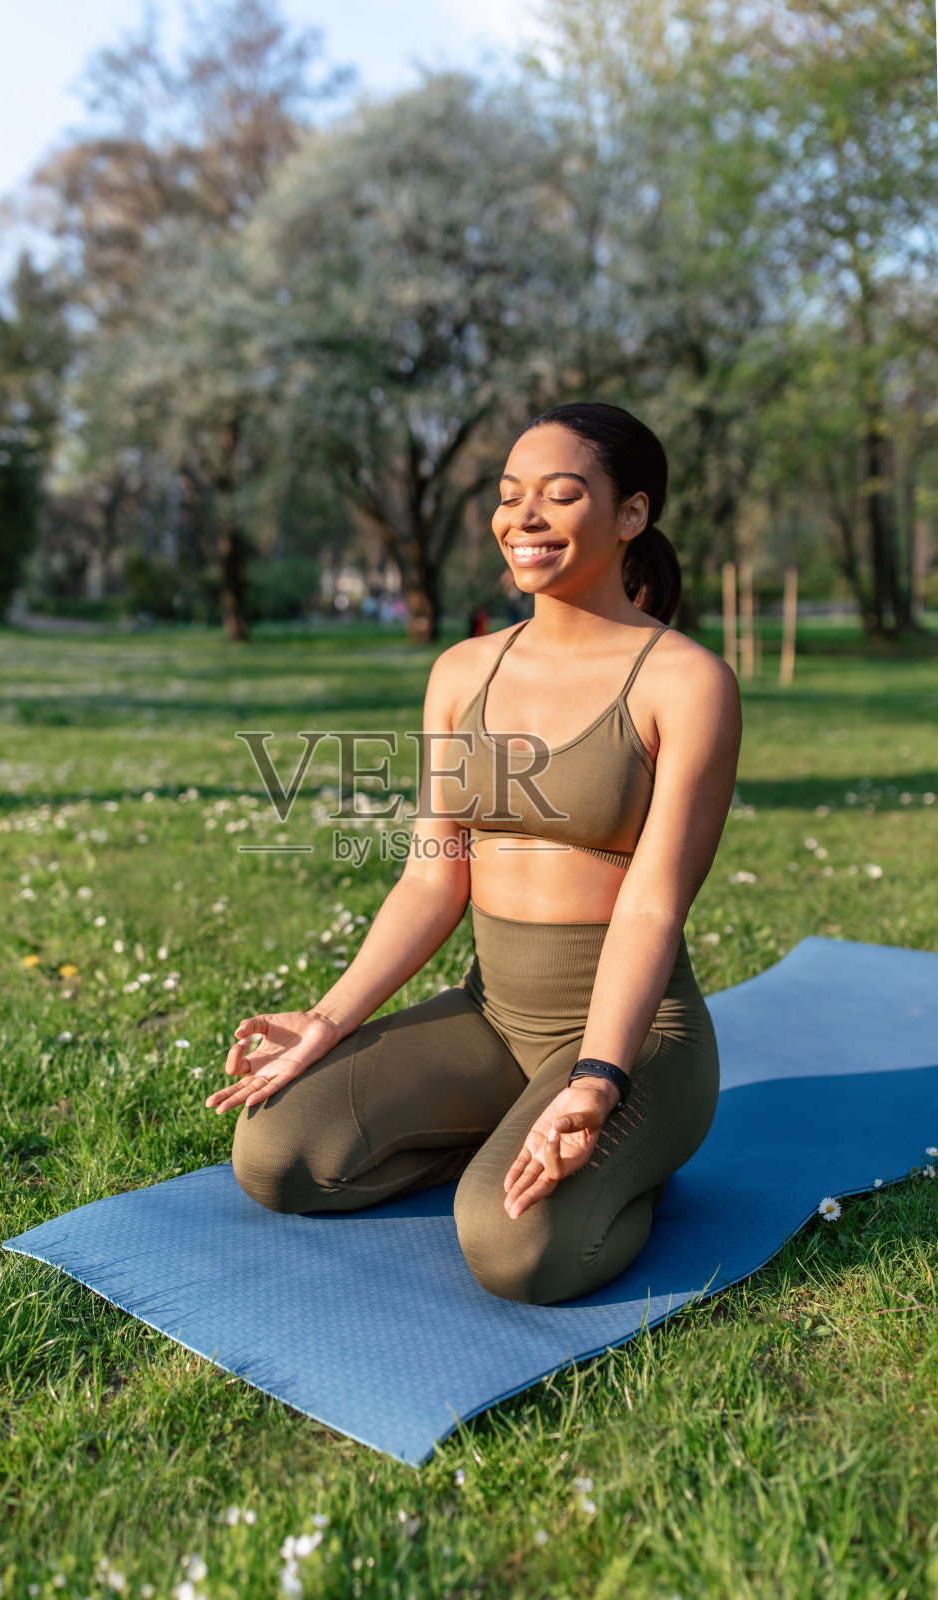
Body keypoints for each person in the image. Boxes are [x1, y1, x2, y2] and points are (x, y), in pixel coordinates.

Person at [207, 402, 742, 1305]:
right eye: (508, 496)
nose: (523, 518)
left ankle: (632, 1162)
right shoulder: (462, 672)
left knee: (514, 1250)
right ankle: (503, 1127)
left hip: (634, 1037)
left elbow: (652, 904)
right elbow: (430, 879)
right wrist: (327, 1020)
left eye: (560, 495)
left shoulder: (685, 682)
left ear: (631, 515)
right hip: (491, 1017)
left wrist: (598, 1078)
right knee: (279, 1155)